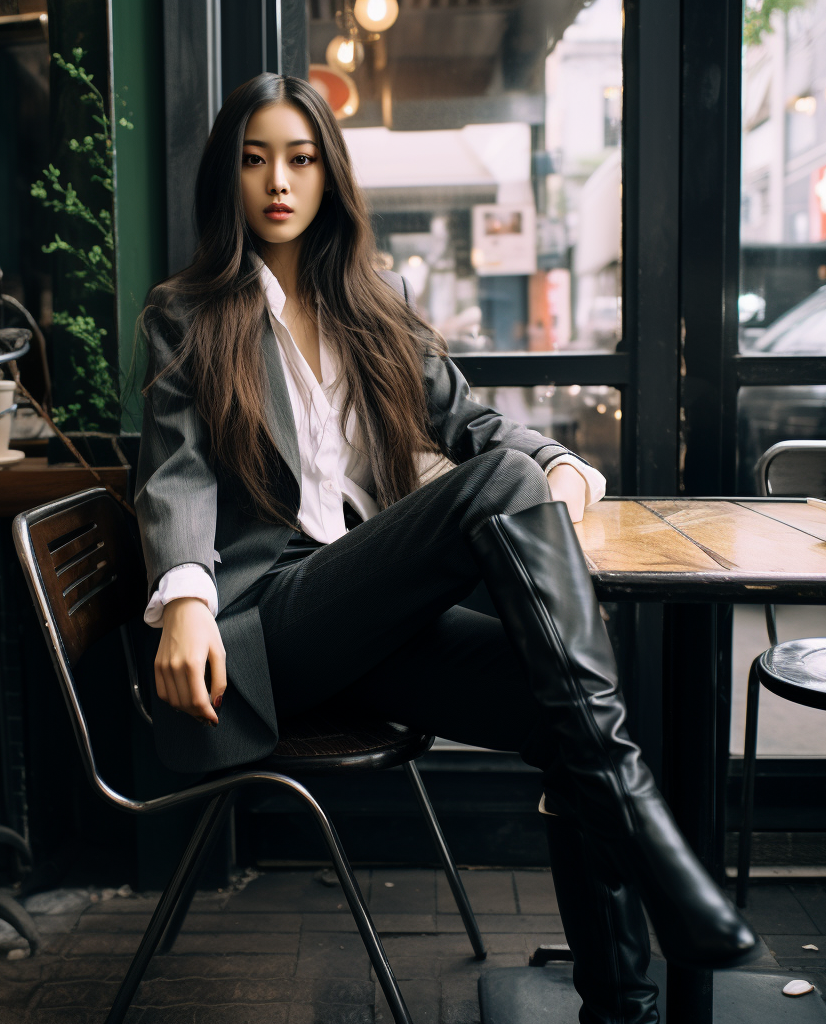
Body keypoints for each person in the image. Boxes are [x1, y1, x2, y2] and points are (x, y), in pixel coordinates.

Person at [135, 73, 757, 1023]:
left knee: (572, 716)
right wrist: (184, 598)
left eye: (301, 159)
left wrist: (551, 454)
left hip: (367, 630)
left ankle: (621, 1006)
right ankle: (657, 848)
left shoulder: (368, 304)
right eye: (255, 159)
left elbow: (470, 423)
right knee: (508, 511)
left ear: (329, 176)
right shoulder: (188, 312)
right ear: (228, 176)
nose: (278, 181)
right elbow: (172, 472)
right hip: (271, 628)